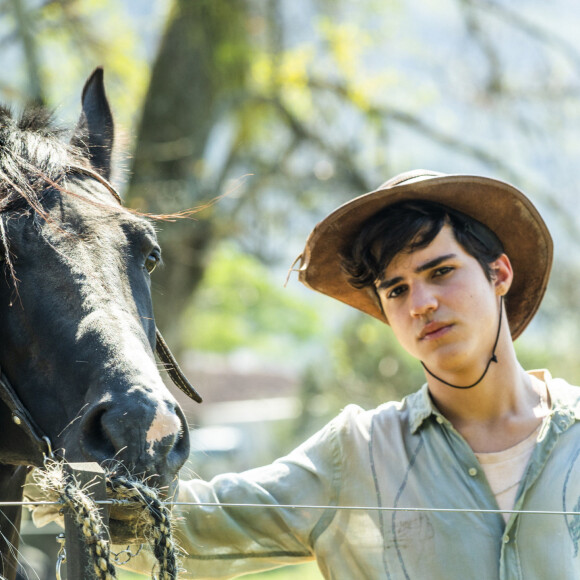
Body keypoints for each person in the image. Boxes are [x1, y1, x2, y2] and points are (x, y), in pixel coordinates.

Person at [128, 170, 580, 579]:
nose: (420, 303)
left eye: (441, 272)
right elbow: (195, 526)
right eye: (396, 289)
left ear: (499, 273)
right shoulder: (359, 453)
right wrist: (64, 483)